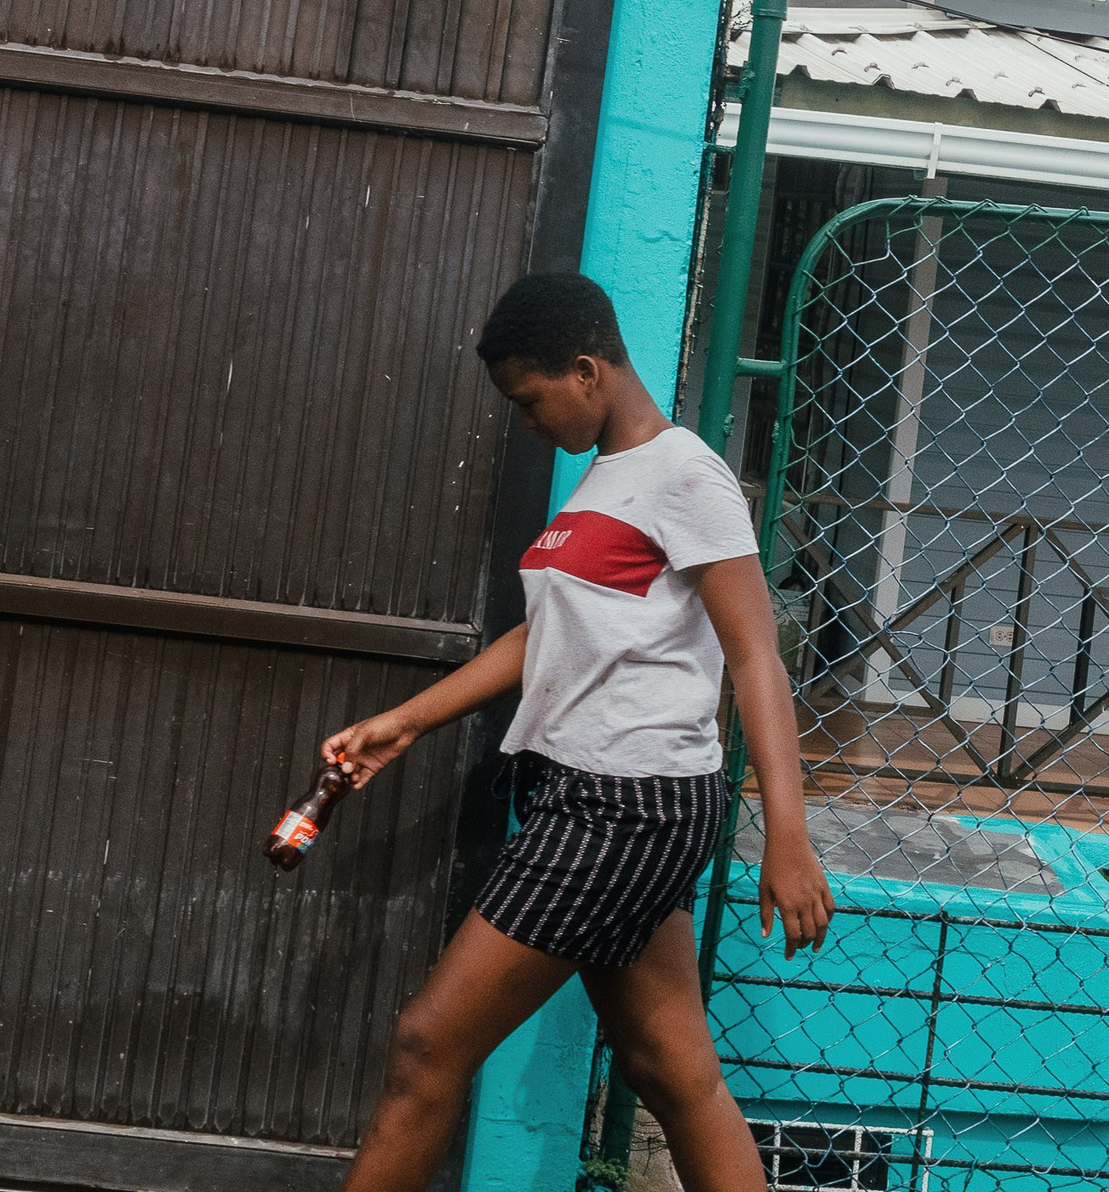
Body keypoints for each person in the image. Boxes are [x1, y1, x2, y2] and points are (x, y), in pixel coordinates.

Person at [322, 271, 830, 1192]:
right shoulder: (608, 481)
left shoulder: (685, 476)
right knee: (674, 1073)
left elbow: (756, 657)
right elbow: (544, 635)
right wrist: (405, 722)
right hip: (589, 796)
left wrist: (787, 838)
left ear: (587, 369)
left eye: (529, 399)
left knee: (427, 1045)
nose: (525, 422)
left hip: (624, 807)